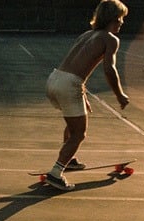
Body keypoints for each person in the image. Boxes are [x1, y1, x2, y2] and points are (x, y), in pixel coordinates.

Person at [45, 0, 130, 191]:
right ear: (114, 19)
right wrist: (120, 95)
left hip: (55, 78)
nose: (122, 23)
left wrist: (81, 94)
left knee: (72, 122)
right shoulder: (110, 39)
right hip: (70, 84)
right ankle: (55, 173)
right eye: (121, 18)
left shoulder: (87, 34)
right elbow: (110, 70)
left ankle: (70, 159)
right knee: (79, 133)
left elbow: (74, 65)